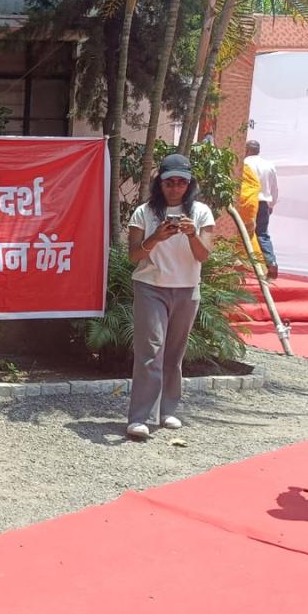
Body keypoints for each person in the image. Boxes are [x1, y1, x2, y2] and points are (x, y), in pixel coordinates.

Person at [125, 154, 214, 440]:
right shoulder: (144, 213)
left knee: (174, 354)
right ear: (159, 183)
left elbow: (204, 256)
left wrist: (191, 234)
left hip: (187, 288)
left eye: (181, 182)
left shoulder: (201, 213)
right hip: (150, 285)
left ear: (190, 185)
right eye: (169, 182)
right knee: (151, 350)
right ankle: (140, 417)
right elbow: (134, 255)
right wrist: (157, 237)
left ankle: (168, 411)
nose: (175, 188)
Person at [243, 140, 279, 278]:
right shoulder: (269, 165)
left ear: (246, 150)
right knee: (262, 234)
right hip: (264, 202)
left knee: (244, 233)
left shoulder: (245, 164)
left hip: (247, 202)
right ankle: (271, 263)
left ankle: (248, 265)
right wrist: (271, 205)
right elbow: (274, 188)